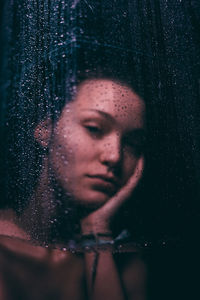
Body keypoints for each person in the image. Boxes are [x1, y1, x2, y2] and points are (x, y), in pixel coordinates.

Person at [0, 76, 147, 300]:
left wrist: (96, 229)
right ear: (45, 129)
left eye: (132, 143)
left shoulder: (125, 261)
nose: (114, 155)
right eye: (94, 128)